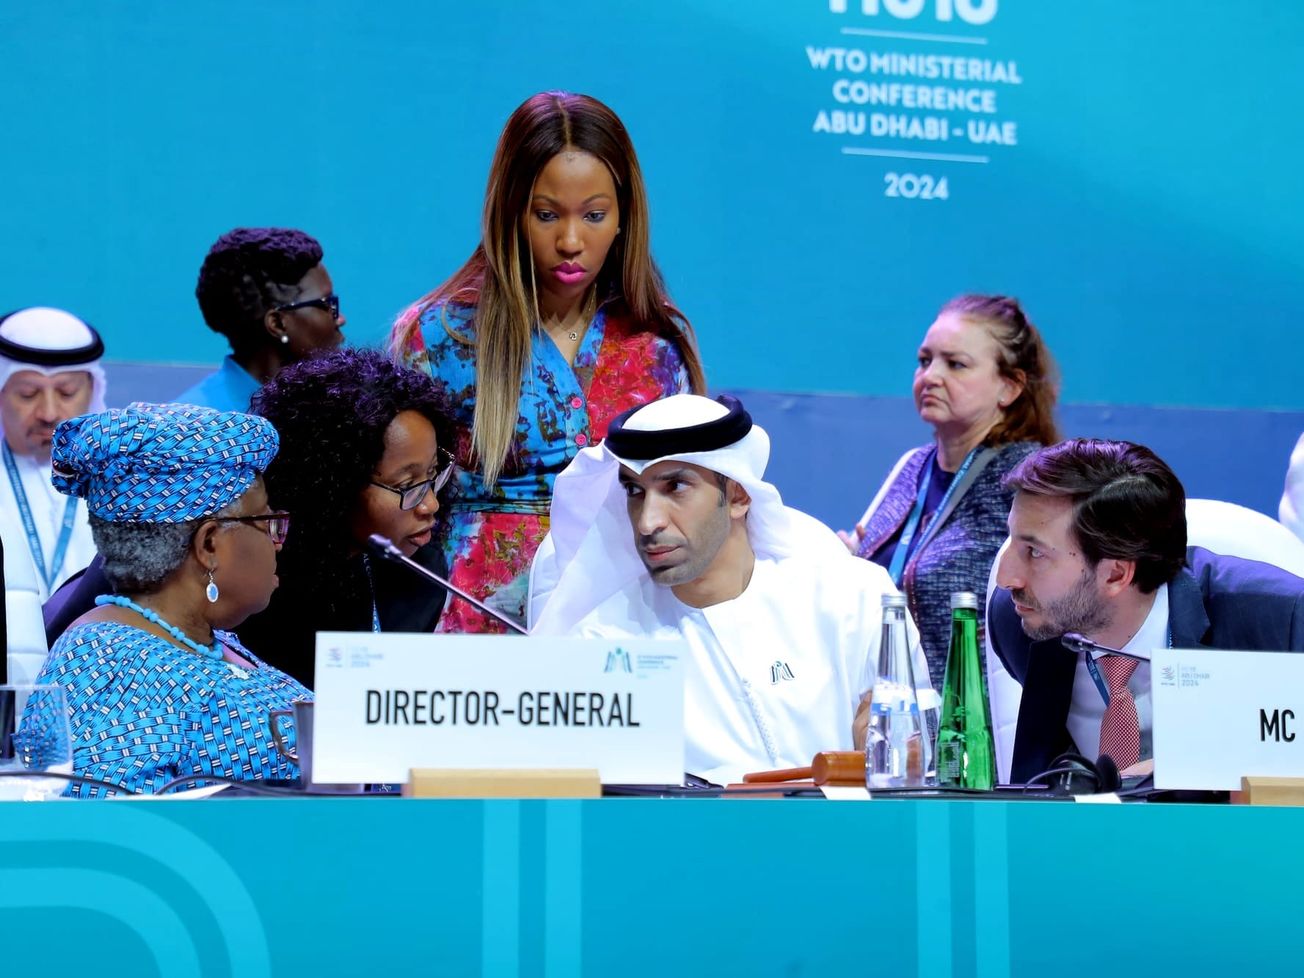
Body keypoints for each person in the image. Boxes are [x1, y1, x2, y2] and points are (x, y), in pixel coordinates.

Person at [390, 90, 706, 634]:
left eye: (594, 214)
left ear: (624, 218)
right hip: (468, 631)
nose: (570, 240)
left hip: (621, 627)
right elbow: (392, 505)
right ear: (509, 210)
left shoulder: (655, 350)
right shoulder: (439, 337)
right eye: (545, 214)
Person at [532, 394, 931, 785]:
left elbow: (920, 758)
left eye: (675, 487)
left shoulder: (854, 601)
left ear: (738, 496)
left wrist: (903, 753)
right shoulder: (606, 641)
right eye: (635, 491)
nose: (647, 522)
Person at [32, 403, 310, 796]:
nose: (278, 542)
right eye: (266, 522)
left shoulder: (203, 640)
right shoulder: (107, 664)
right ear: (210, 544)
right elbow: (111, 834)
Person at [989, 438, 1304, 783]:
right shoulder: (1018, 620)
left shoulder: (1282, 620)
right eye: (1013, 542)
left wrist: (1197, 768)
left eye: (1035, 552)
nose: (1005, 578)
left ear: (1116, 574)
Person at [843, 294, 1059, 692]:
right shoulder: (912, 467)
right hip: (887, 711)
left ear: (1009, 387)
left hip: (972, 722)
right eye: (925, 361)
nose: (930, 376)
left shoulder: (1027, 479)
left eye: (955, 364)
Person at [241, 349, 454, 686]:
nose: (430, 504)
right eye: (406, 485)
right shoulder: (260, 586)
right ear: (335, 483)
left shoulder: (421, 570)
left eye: (433, 475)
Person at [0, 307, 106, 605]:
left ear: (92, 389)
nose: (49, 413)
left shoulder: (121, 483)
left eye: (67, 392)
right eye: (28, 394)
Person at [175, 227, 345, 411]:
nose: (340, 319)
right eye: (327, 304)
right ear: (278, 324)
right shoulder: (193, 427)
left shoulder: (327, 409)